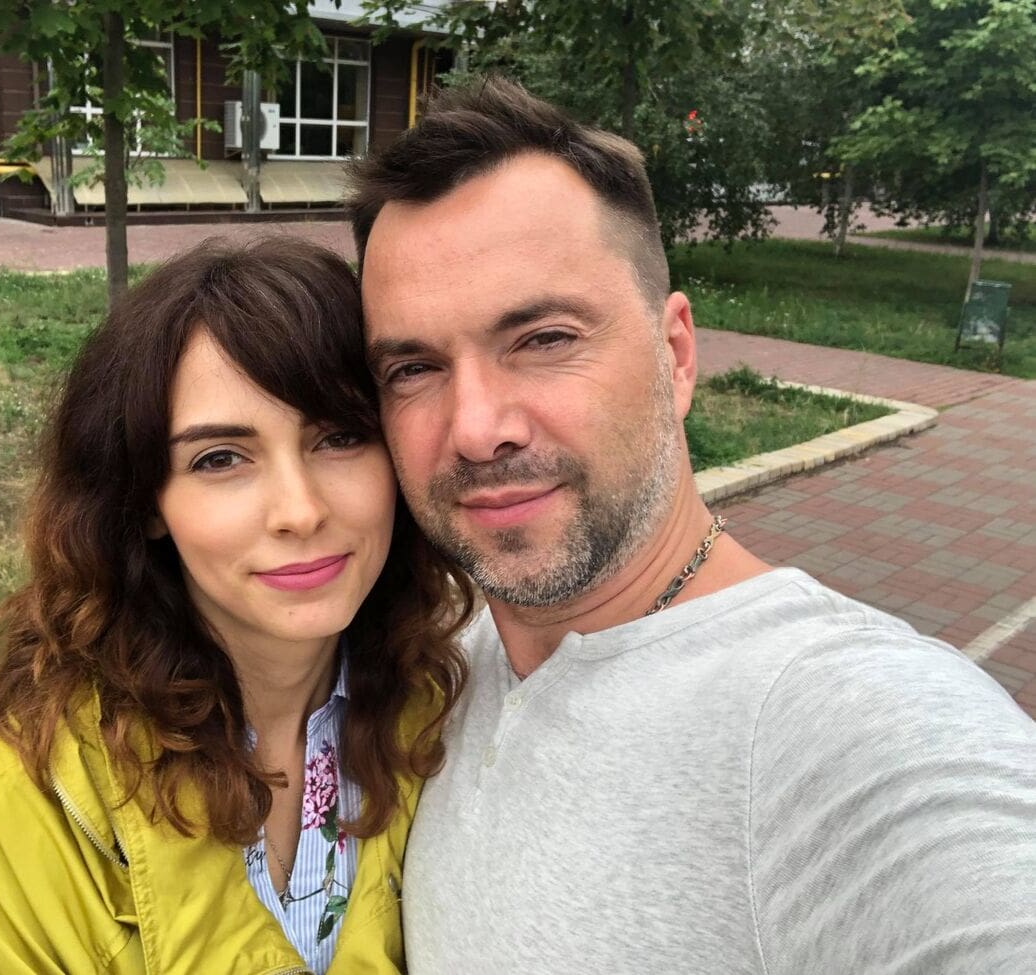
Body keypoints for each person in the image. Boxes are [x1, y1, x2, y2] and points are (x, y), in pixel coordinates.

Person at [346, 77, 1036, 973]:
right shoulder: (444, 652)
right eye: (412, 368)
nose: (477, 428)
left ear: (675, 356)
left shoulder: (853, 730)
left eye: (545, 338)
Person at [0, 237, 472, 974]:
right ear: (147, 502)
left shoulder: (435, 710)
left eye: (340, 437)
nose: (301, 510)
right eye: (220, 459)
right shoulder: (16, 790)